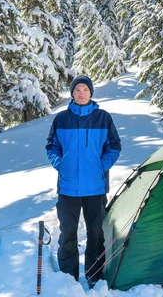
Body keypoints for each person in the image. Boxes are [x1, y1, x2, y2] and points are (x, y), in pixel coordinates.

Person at [45, 75, 121, 288]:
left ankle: (94, 275)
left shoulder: (103, 118)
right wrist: (61, 165)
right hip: (68, 188)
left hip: (95, 188)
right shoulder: (61, 119)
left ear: (91, 93)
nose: (81, 93)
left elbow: (114, 146)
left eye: (85, 90)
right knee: (67, 232)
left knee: (95, 233)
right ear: (72, 93)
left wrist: (101, 166)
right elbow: (52, 147)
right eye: (77, 89)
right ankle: (68, 277)